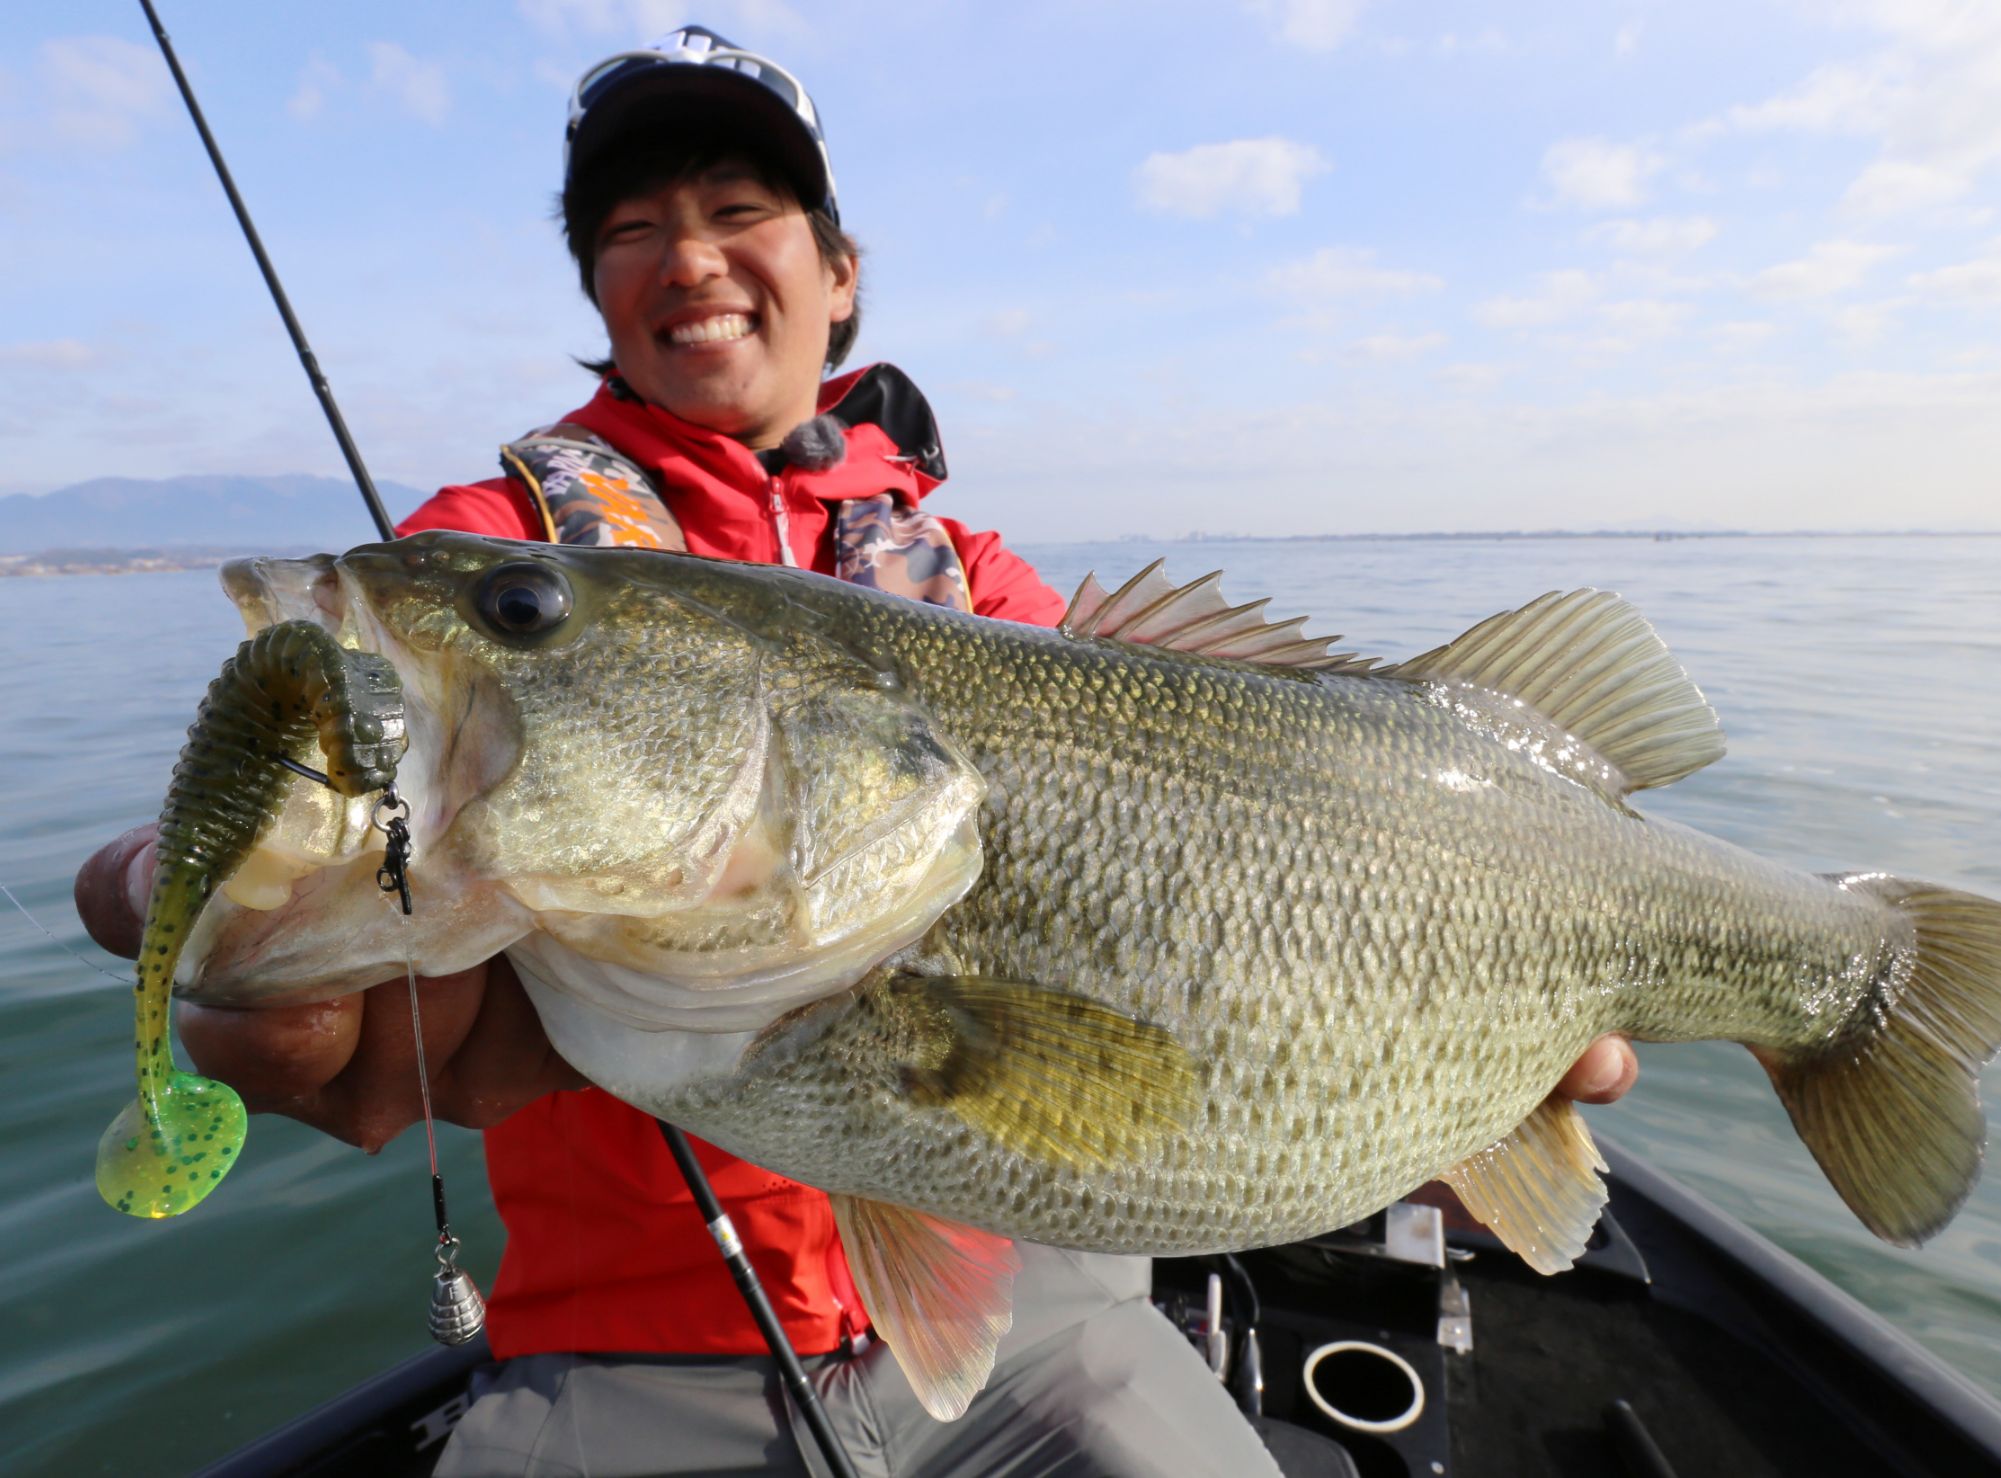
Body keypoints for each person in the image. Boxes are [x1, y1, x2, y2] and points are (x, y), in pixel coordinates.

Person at [75, 25, 1640, 1476]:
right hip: (630, 1344)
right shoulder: (492, 544)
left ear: (838, 277)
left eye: (738, 208)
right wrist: (223, 891)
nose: (687, 256)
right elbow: (296, 820)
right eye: (630, 228)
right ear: (600, 294)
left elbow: (1214, 862)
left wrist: (1392, 1069)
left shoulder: (982, 586)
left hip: (1048, 1310)